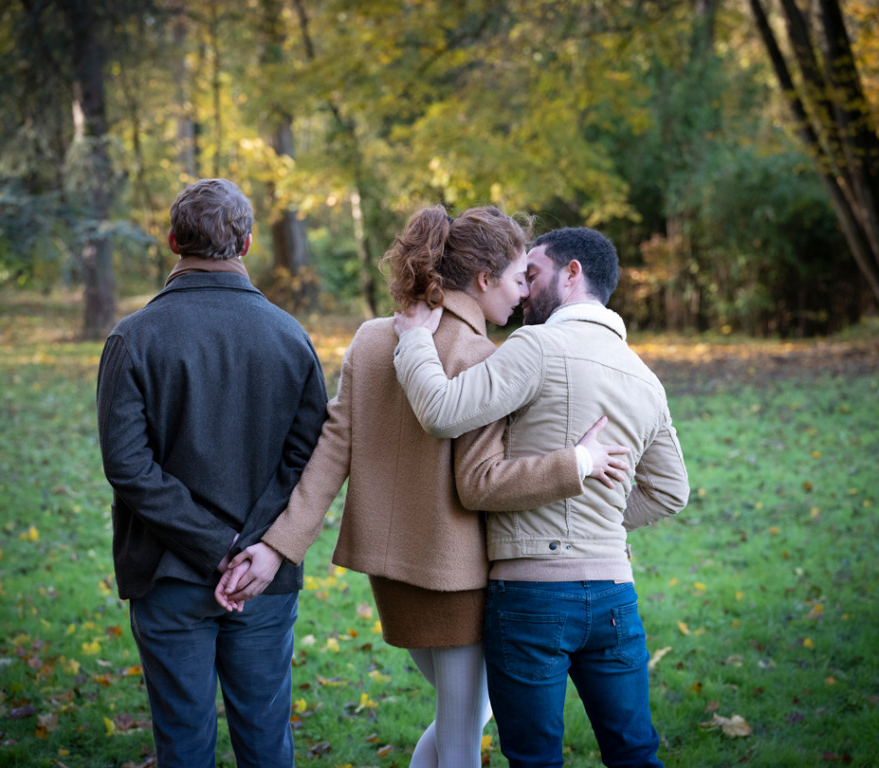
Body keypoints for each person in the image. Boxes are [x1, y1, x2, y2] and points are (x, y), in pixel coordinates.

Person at [217, 207, 630, 768]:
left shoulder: (370, 339)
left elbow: (331, 452)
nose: (521, 297)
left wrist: (280, 545)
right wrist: (575, 463)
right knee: (462, 740)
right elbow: (483, 482)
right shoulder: (481, 356)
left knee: (458, 722)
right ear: (484, 280)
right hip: (457, 578)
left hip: (393, 578)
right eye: (516, 280)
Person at [391, 227, 691, 768]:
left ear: (572, 273)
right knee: (635, 753)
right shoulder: (645, 378)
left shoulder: (537, 346)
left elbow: (440, 412)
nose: (523, 291)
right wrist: (601, 522)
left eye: (532, 274)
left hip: (532, 598)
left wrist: (414, 338)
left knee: (534, 760)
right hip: (616, 598)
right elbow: (671, 492)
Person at [96, 178, 328, 768]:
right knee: (266, 741)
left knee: (183, 745)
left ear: (173, 240)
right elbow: (307, 461)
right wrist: (253, 549)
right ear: (247, 244)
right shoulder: (291, 338)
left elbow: (127, 467)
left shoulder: (132, 338)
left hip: (169, 571)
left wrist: (219, 546)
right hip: (262, 574)